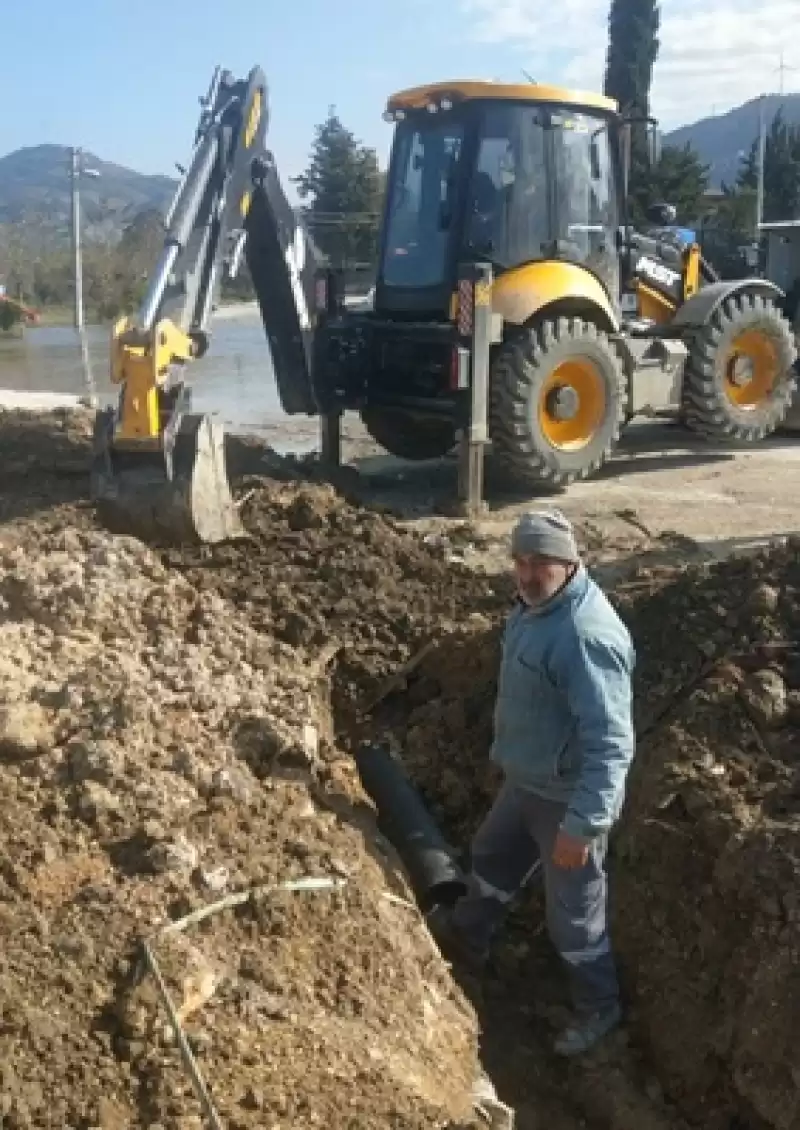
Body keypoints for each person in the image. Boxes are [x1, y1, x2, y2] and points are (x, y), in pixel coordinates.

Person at [431, 508, 636, 1057]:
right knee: (492, 856)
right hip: (528, 781)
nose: (525, 573)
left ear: (569, 564)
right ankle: (468, 936)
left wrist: (584, 825)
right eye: (519, 561)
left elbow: (611, 743)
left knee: (573, 914)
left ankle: (599, 1008)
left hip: (567, 799)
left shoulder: (586, 637)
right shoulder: (534, 608)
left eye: (539, 562)